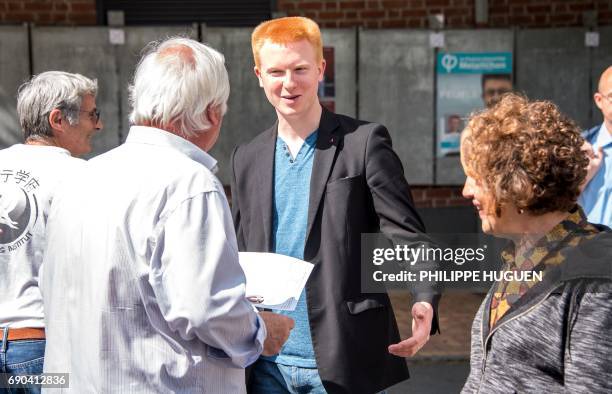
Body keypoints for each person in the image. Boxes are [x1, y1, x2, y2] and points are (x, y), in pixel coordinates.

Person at [40, 37, 293, 393]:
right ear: (211, 113)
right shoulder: (191, 184)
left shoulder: (80, 178)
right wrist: (262, 332)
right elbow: (207, 311)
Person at [230, 17, 439, 394]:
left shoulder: (364, 142)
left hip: (343, 355)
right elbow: (237, 252)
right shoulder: (246, 157)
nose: (289, 83)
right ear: (258, 75)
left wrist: (425, 296)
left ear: (321, 69)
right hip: (264, 361)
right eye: (276, 72)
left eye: (300, 69)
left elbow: (408, 235)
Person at [460, 94, 612, 393]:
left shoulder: (595, 277)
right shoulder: (524, 257)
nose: (466, 191)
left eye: (476, 178)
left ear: (517, 182)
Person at [0, 71, 102, 393]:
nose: (97, 125)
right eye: (92, 115)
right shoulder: (80, 176)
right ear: (58, 119)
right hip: (44, 352)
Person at [579, 66, 612, 226]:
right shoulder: (581, 148)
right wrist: (583, 178)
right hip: (590, 247)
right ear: (599, 100)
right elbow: (557, 204)